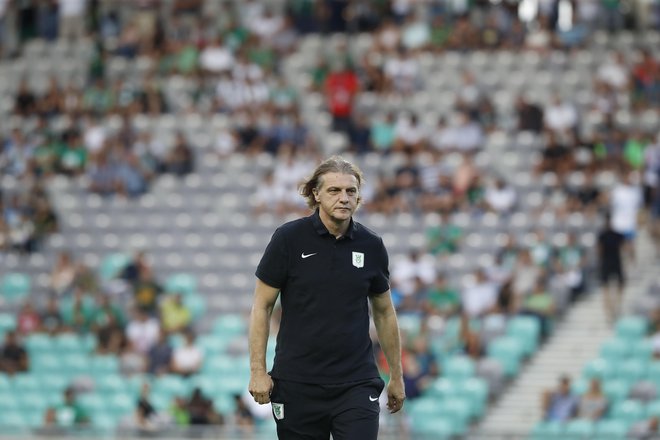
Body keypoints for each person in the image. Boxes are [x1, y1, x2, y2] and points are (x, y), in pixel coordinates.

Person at [248, 156, 405, 440]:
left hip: (356, 383)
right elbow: (262, 306)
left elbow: (384, 312)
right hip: (296, 382)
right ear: (316, 194)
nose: (344, 198)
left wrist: (397, 375)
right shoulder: (288, 239)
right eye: (334, 190)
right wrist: (258, 371)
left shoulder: (371, 245)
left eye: (351, 191)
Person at [598, 214, 626, 321]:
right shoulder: (607, 235)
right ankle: (611, 308)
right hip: (612, 262)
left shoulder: (607, 235)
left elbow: (599, 250)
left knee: (613, 286)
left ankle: (614, 305)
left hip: (611, 262)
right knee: (607, 288)